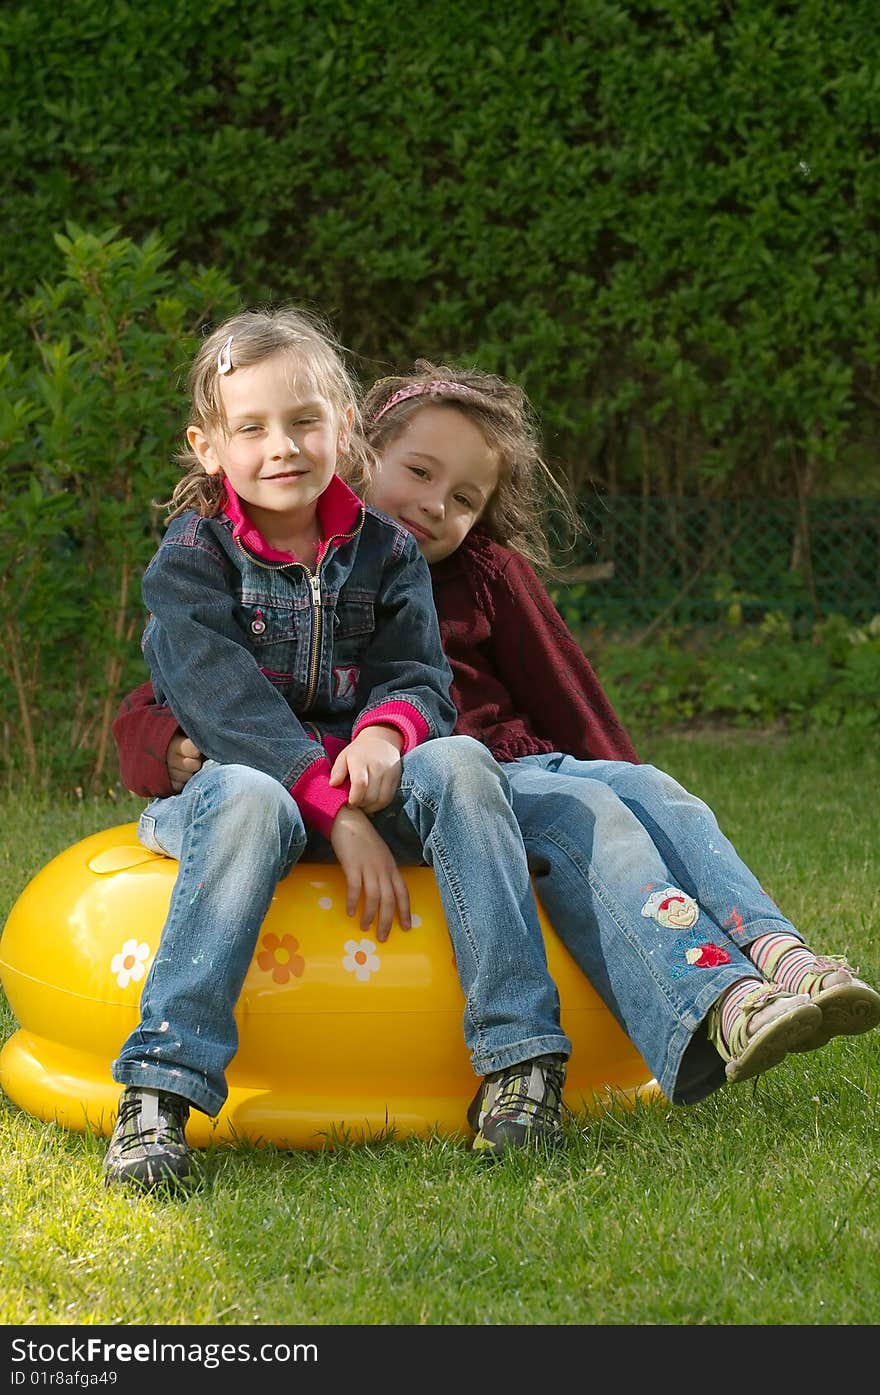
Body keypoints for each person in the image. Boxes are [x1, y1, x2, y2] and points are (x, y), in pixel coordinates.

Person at [114, 357, 880, 1157]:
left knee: (643, 793)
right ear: (365, 451)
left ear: (338, 436)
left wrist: (615, 777)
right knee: (560, 805)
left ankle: (775, 961)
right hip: (385, 786)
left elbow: (560, 694)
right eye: (417, 472)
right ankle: (709, 999)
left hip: (460, 774)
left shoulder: (451, 569)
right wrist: (169, 751)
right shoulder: (225, 558)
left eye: (464, 499)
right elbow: (190, 690)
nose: (433, 506)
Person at [103, 313, 575, 1191]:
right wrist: (333, 807)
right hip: (247, 798)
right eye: (252, 428)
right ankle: (157, 1094)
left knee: (462, 762)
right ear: (209, 447)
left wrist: (387, 729)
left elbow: (421, 676)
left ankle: (521, 1065)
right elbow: (224, 709)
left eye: (305, 421)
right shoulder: (189, 563)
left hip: (373, 784)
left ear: (346, 427)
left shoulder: (388, 553)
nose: (282, 446)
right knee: (248, 792)